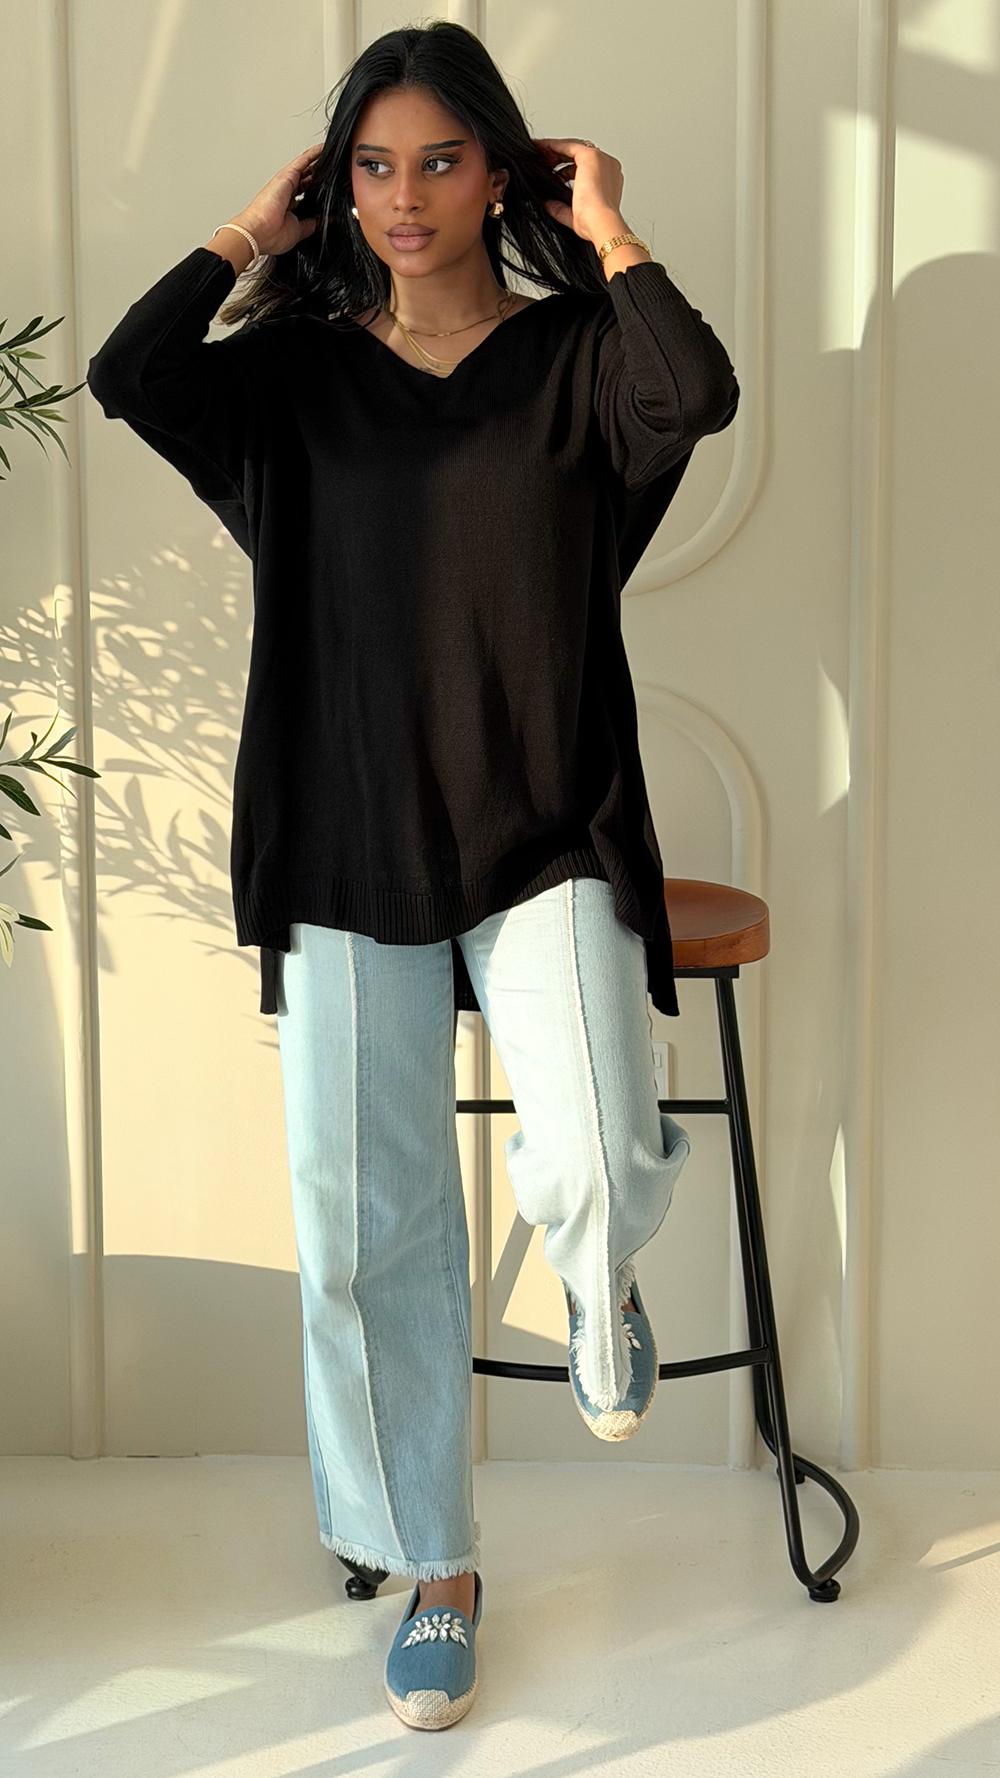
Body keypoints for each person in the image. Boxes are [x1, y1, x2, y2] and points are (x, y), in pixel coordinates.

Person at [86, 19, 738, 1731]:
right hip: (344, 828)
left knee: (598, 1138)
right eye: (370, 166)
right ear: (336, 185)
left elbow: (698, 393)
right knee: (366, 1230)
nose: (404, 197)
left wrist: (610, 227)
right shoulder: (292, 378)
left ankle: (601, 1283)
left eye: (440, 160)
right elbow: (132, 371)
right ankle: (434, 1568)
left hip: (546, 819)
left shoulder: (584, 358)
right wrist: (251, 232)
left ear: (503, 173)